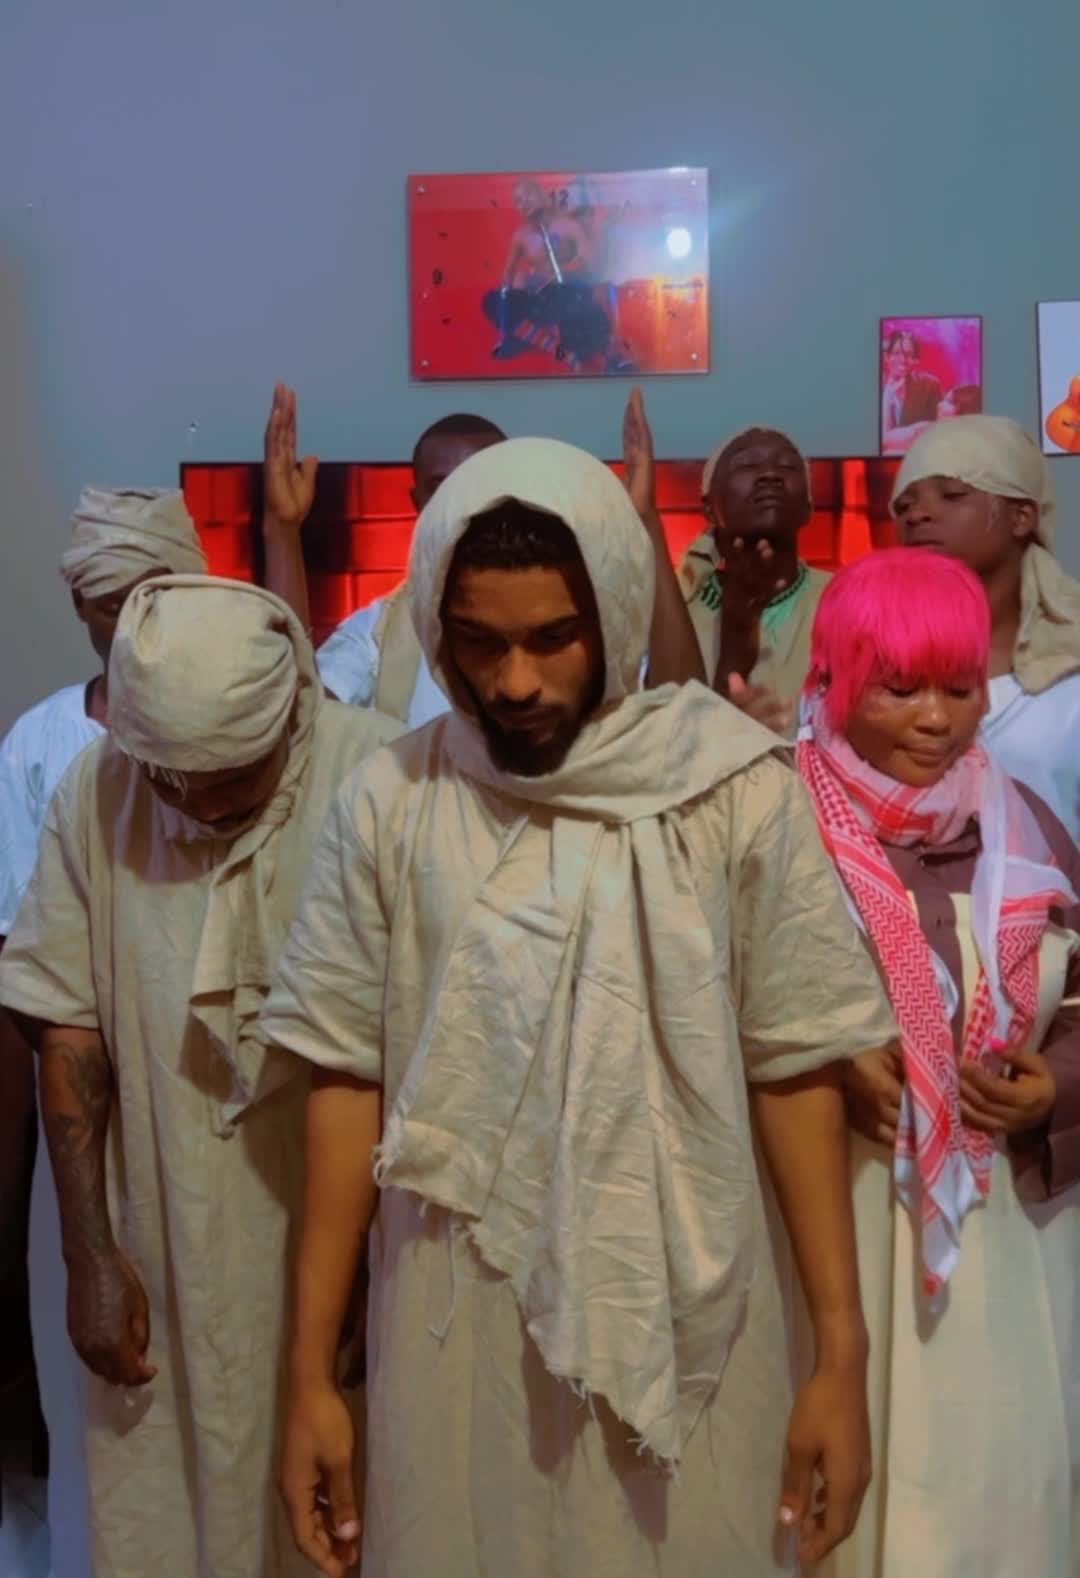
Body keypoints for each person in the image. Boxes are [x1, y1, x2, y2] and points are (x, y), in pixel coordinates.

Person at [260, 436, 899, 1578]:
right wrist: (310, 1375)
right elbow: (346, 1075)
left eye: (554, 638)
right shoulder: (392, 800)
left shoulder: (732, 790)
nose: (516, 683)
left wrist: (839, 1357)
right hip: (454, 1313)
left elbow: (794, 1064)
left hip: (694, 1310)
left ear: (613, 607)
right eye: (480, 642)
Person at [0, 576, 400, 1578]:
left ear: (292, 710)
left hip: (341, 1230)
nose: (200, 802)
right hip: (159, 1224)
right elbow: (65, 1021)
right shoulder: (99, 789)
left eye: (231, 776)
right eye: (173, 781)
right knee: (162, 1505)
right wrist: (89, 1252)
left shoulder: (381, 776)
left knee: (350, 1505)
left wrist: (384, 1257)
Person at [796, 548, 1080, 1578]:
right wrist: (826, 1070)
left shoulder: (1024, 818)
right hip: (835, 1230)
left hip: (1013, 1244)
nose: (935, 720)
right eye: (899, 689)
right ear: (832, 680)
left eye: (960, 690)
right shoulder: (777, 821)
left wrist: (1059, 1085)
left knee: (1001, 1500)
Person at [0, 485, 208, 1578]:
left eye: (151, 597)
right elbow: (22, 960)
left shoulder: (242, 723)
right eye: (109, 603)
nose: (130, 625)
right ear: (79, 606)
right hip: (83, 1095)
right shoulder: (42, 743)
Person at [262, 382, 704, 724]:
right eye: (443, 487)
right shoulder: (380, 630)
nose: (464, 502)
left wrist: (645, 523)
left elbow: (686, 714)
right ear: (417, 501)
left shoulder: (579, 607)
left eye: (481, 480)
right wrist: (282, 532)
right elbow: (299, 724)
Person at [892, 413, 1080, 842]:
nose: (917, 514)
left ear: (1021, 517)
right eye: (903, 506)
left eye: (952, 495)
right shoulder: (873, 666)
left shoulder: (1071, 673)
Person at [679, 425, 829, 735]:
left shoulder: (844, 598)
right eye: (747, 465)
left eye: (787, 466)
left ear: (808, 509)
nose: (770, 475)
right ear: (708, 508)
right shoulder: (677, 610)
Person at [481, 178, 616, 372]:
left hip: (566, 294)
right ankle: (556, 348)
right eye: (518, 200)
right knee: (492, 301)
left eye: (528, 194)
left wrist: (555, 276)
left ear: (543, 195)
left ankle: (529, 336)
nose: (524, 202)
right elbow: (507, 275)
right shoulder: (520, 236)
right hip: (538, 300)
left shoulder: (568, 225)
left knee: (591, 336)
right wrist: (510, 295)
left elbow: (589, 262)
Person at [880, 331, 944, 455]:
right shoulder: (873, 385)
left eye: (908, 354)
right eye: (896, 353)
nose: (902, 360)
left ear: (916, 360)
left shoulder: (930, 385)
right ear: (887, 357)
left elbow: (940, 431)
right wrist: (887, 397)